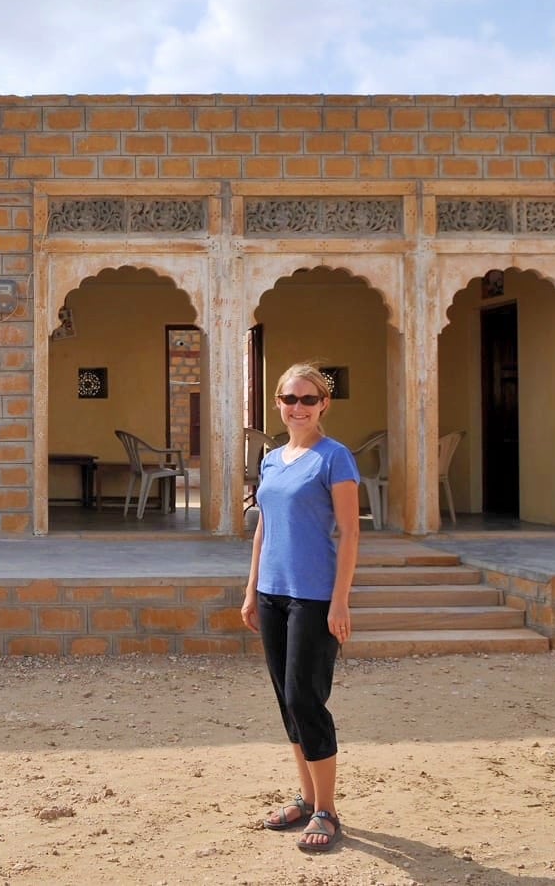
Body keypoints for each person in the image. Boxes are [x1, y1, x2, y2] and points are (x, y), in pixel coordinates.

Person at [241, 362, 360, 853]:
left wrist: (340, 602)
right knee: (286, 703)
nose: (298, 408)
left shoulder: (335, 458)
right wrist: (251, 590)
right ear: (277, 403)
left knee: (305, 700)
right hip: (272, 594)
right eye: (289, 399)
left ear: (323, 405)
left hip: (314, 598)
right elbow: (264, 527)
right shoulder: (271, 460)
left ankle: (327, 809)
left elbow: (351, 532)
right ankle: (306, 799)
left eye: (308, 400)